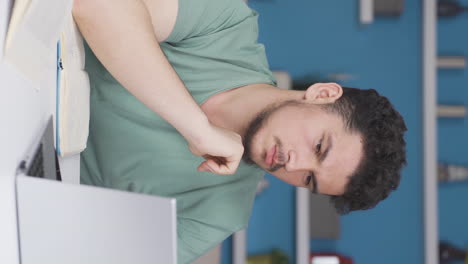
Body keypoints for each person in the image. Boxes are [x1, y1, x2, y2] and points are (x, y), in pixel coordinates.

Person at [72, 0, 407, 263]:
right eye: (319, 146)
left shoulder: (221, 212)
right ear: (322, 95)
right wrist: (198, 128)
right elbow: (96, 4)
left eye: (309, 180)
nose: (293, 165)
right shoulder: (226, 24)